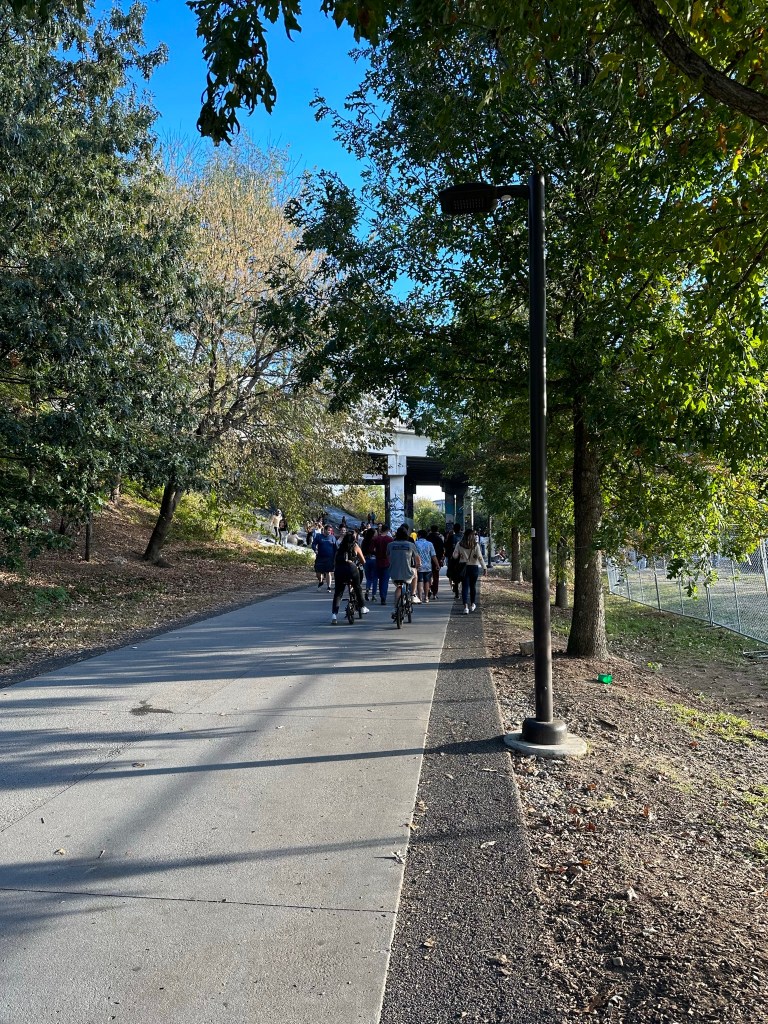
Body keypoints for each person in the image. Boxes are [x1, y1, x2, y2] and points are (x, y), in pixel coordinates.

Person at [331, 532, 369, 625]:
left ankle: (334, 615)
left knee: (338, 593)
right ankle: (362, 607)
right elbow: (363, 561)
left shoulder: (340, 548)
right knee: (357, 587)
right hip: (351, 568)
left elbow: (334, 561)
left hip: (340, 570)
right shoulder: (355, 547)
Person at [453, 528, 488, 613]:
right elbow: (480, 557)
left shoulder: (459, 544)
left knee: (464, 587)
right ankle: (472, 604)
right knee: (473, 586)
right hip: (474, 567)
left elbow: (455, 556)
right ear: (473, 536)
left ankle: (465, 607)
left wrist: (459, 554)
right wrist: (484, 567)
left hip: (463, 568)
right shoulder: (475, 545)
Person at [388, 524, 421, 611]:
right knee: (415, 573)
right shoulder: (411, 545)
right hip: (407, 572)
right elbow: (417, 558)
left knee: (399, 587)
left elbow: (388, 557)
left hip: (394, 572)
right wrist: (418, 565)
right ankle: (413, 594)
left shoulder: (390, 545)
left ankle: (396, 608)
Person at [414, 529, 438, 604]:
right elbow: (433, 555)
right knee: (427, 581)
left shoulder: (415, 543)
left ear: (419, 535)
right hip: (428, 566)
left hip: (418, 565)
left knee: (419, 581)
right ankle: (426, 597)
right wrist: (437, 564)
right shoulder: (430, 544)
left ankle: (420, 597)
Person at [372, 523, 394, 605]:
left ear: (381, 530)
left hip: (378, 561)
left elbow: (371, 549)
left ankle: (381, 594)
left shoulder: (376, 539)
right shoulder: (390, 539)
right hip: (387, 562)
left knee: (379, 579)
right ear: (388, 530)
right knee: (385, 580)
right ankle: (383, 596)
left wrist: (376, 553)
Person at [312, 523, 337, 591]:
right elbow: (313, 544)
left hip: (330, 558)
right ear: (325, 530)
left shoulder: (332, 537)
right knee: (318, 572)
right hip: (320, 557)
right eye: (328, 530)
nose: (329, 532)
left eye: (330, 530)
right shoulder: (319, 536)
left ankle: (329, 587)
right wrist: (315, 549)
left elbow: (335, 548)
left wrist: (335, 557)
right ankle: (321, 581)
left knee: (328, 572)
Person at [445, 523, 463, 598]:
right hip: (462, 559)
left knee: (451, 573)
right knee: (461, 574)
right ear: (460, 529)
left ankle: (454, 587)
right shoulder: (463, 537)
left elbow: (446, 546)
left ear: (454, 529)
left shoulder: (451, 537)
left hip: (452, 558)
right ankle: (459, 587)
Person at [360, 525, 378, 602]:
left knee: (368, 578)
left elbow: (362, 551)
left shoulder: (364, 541)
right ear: (373, 534)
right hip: (374, 560)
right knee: (375, 578)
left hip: (366, 560)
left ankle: (367, 589)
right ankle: (373, 595)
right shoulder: (375, 541)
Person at [428, 524, 445, 599]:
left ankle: (428, 589)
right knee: (435, 576)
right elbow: (442, 550)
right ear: (437, 530)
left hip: (428, 559)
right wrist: (441, 559)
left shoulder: (427, 538)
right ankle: (434, 592)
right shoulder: (439, 539)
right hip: (437, 559)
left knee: (428, 576)